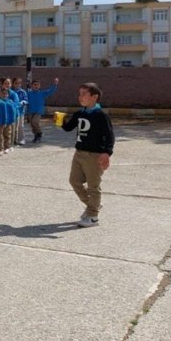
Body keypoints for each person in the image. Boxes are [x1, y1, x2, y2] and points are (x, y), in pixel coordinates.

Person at [60, 82, 114, 228]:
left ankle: (93, 216)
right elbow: (68, 128)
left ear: (94, 97)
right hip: (79, 153)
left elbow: (109, 136)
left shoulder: (101, 115)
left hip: (94, 155)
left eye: (84, 94)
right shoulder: (80, 113)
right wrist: (61, 121)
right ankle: (94, 205)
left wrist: (106, 153)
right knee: (74, 181)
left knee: (93, 186)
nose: (80, 97)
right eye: (79, 94)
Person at [27, 78, 59, 143]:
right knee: (32, 124)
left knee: (35, 121)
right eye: (34, 85)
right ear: (31, 86)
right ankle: (36, 135)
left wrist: (55, 84)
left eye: (37, 85)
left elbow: (50, 91)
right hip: (30, 111)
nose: (36, 86)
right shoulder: (28, 93)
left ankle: (39, 133)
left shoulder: (42, 93)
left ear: (39, 86)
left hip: (39, 111)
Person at [12, 77, 28, 145]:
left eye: (19, 83)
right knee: (13, 126)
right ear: (13, 84)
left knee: (20, 126)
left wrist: (23, 102)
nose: (18, 85)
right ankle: (14, 139)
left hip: (20, 112)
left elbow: (26, 100)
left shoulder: (23, 92)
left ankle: (22, 139)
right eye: (16, 83)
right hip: (12, 112)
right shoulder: (11, 92)